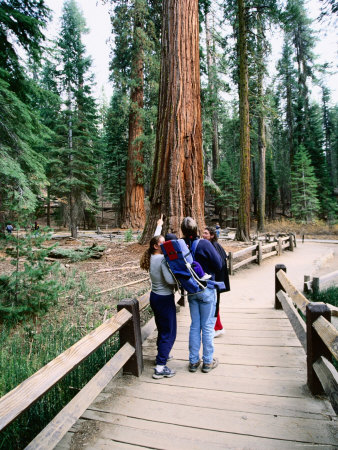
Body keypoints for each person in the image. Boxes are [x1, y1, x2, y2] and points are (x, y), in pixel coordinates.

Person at [181, 217, 222, 373]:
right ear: (196, 229)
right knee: (207, 327)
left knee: (195, 326)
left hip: (192, 290)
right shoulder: (204, 243)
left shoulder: (181, 245)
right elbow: (219, 265)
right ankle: (207, 362)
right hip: (206, 289)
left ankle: (193, 361)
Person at [140, 232, 177, 379]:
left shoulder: (151, 257)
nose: (166, 245)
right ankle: (160, 367)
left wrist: (159, 226)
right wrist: (178, 277)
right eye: (163, 243)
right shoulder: (162, 259)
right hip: (164, 298)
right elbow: (170, 281)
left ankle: (162, 355)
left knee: (162, 329)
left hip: (155, 297)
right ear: (156, 246)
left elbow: (155, 237)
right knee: (169, 332)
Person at [203, 226, 231, 337]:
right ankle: (217, 327)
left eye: (206, 233)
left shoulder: (213, 247)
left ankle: (217, 328)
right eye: (203, 233)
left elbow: (219, 265)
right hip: (217, 280)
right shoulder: (214, 246)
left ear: (212, 235)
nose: (203, 235)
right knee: (214, 304)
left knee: (214, 304)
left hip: (216, 280)